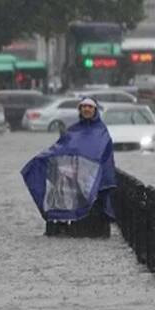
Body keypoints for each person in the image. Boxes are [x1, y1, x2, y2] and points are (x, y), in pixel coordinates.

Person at [21, 96, 116, 231]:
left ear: (95, 110)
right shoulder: (73, 131)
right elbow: (61, 149)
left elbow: (103, 155)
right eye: (83, 107)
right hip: (73, 181)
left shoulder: (102, 132)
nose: (86, 109)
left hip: (93, 181)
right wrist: (42, 158)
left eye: (89, 107)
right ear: (80, 110)